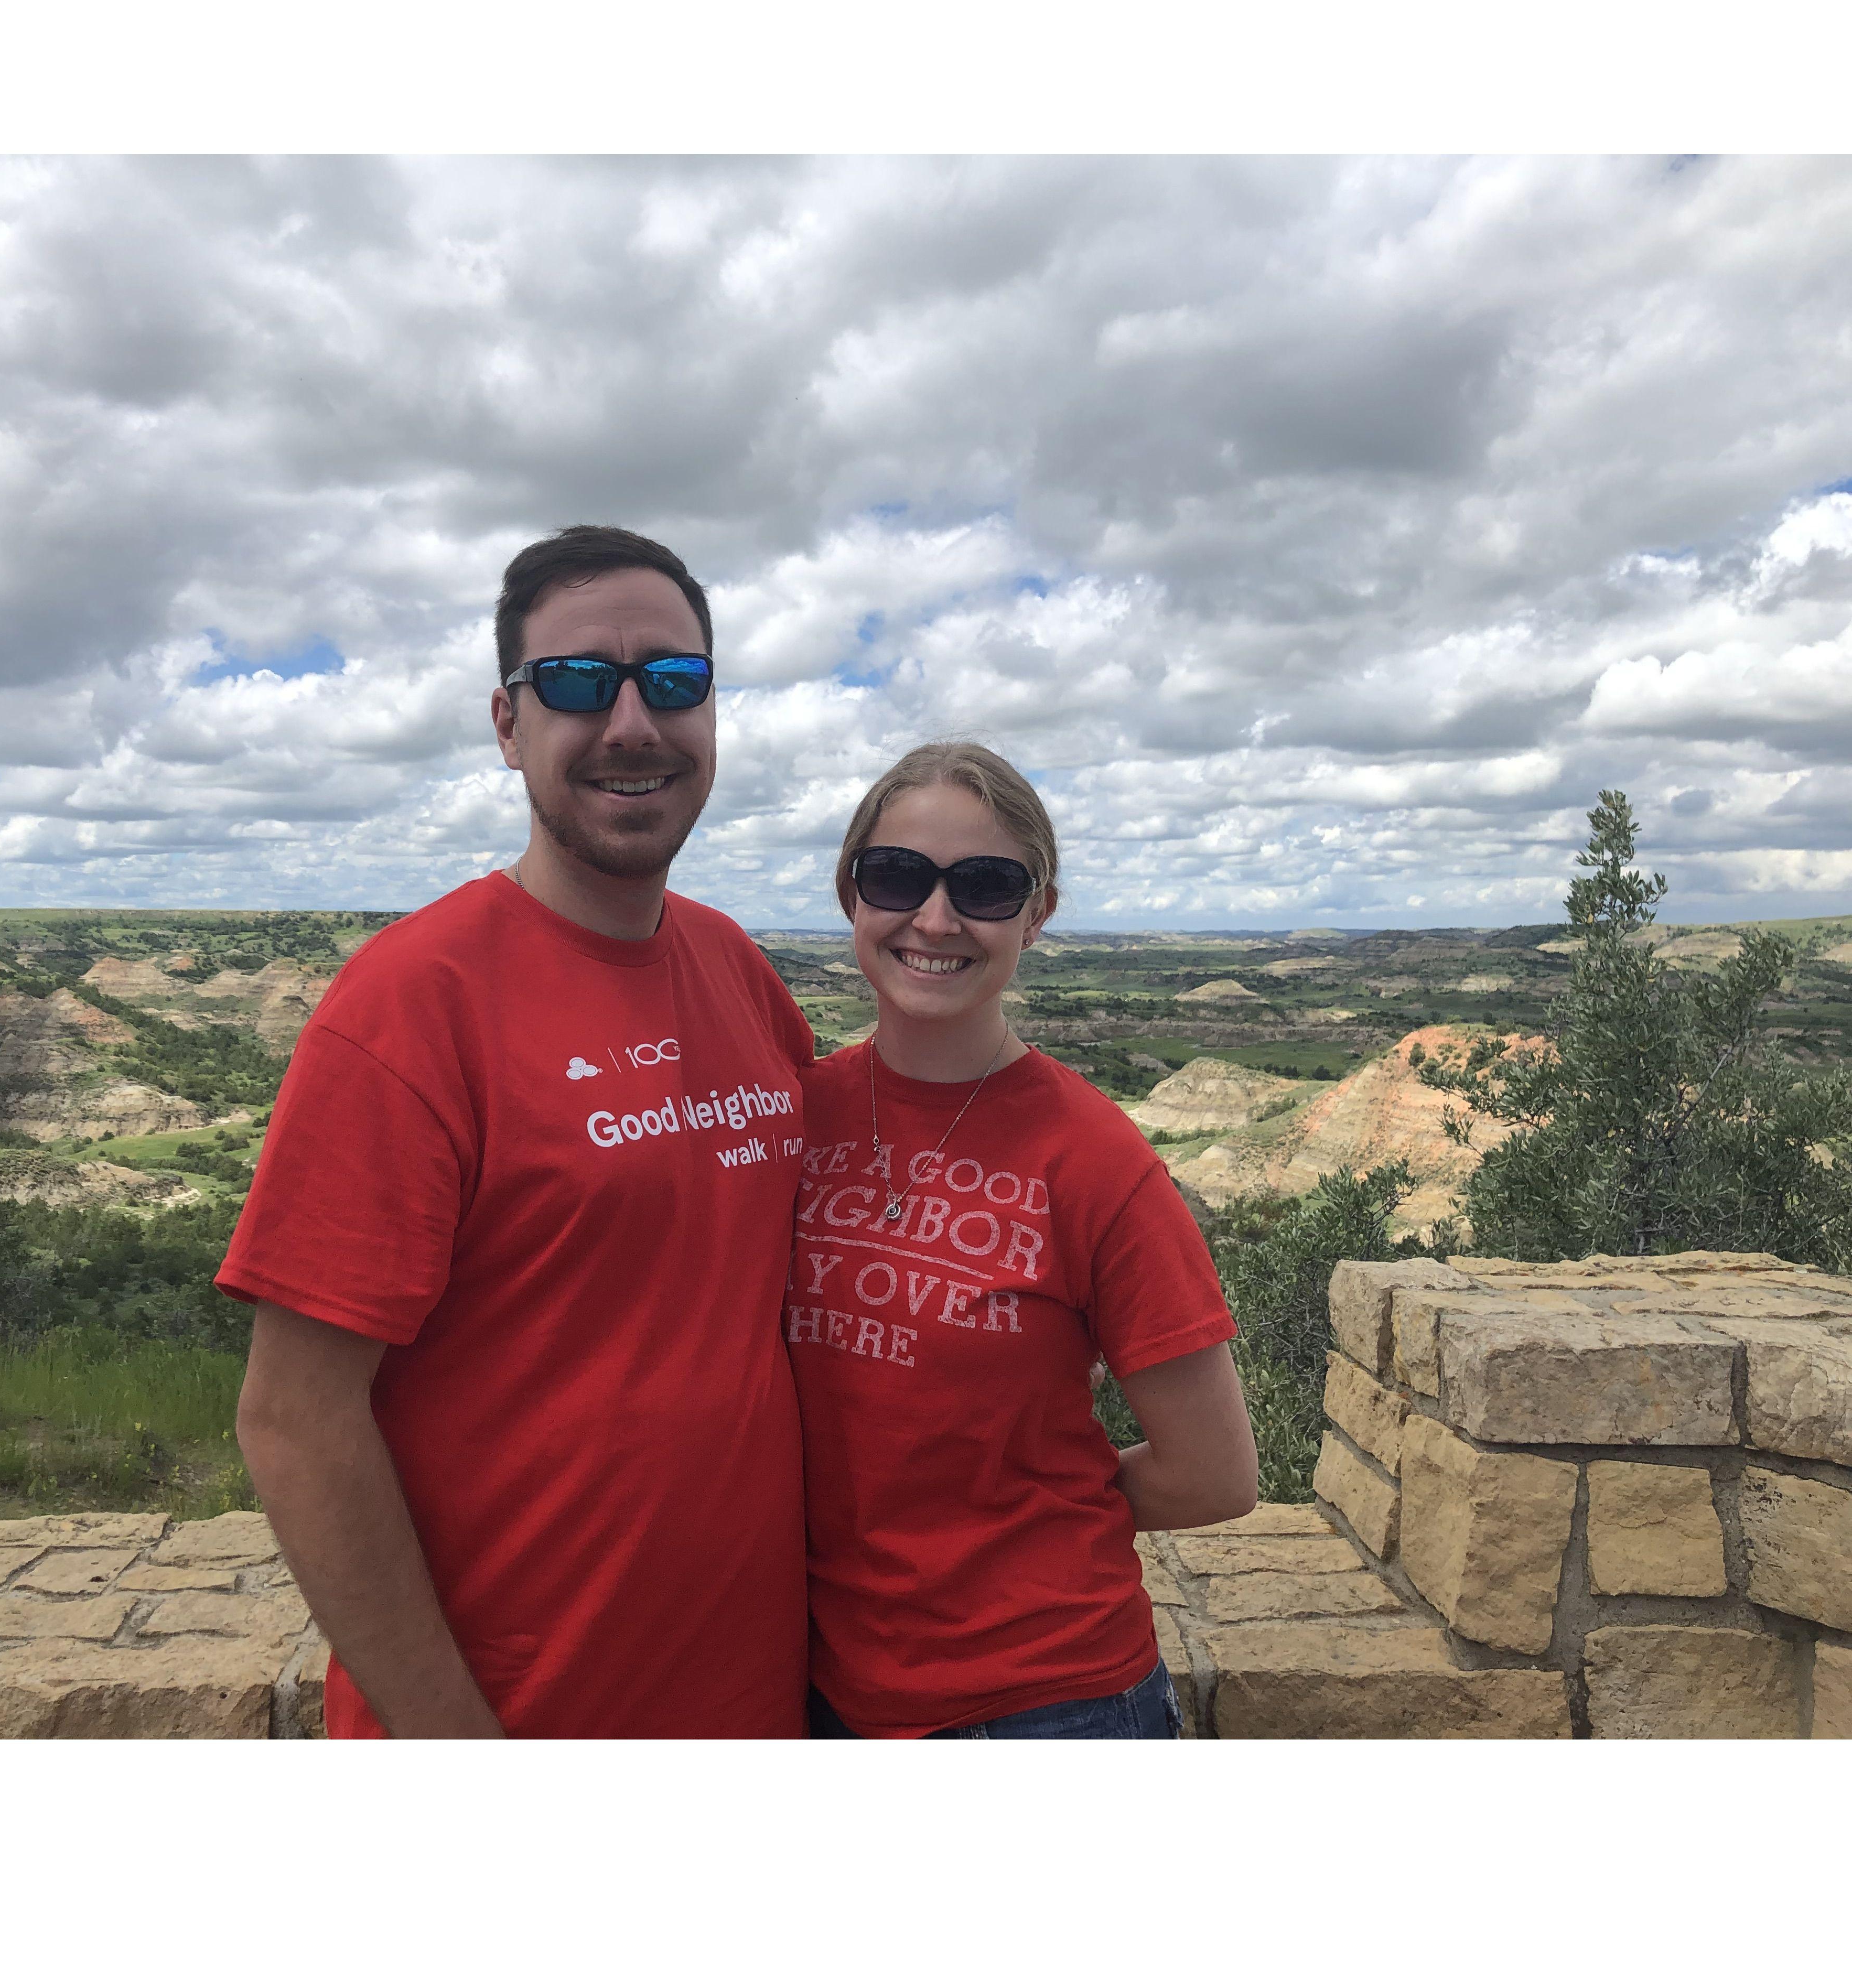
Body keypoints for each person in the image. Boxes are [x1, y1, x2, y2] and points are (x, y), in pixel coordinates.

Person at [220, 525, 814, 1737]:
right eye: (582, 684)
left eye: (677, 681)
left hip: (752, 1703)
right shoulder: (410, 1005)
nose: (635, 723)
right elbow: (293, 1420)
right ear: (508, 726)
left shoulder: (735, 966)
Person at [788, 741, 1257, 1739]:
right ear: (850, 891)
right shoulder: (793, 1117)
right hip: (822, 1685)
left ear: (1038, 914)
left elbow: (1214, 1474)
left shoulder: (1094, 1159)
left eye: (987, 887)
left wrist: (1017, 1512)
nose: (936, 918)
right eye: (898, 875)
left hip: (1049, 1701)